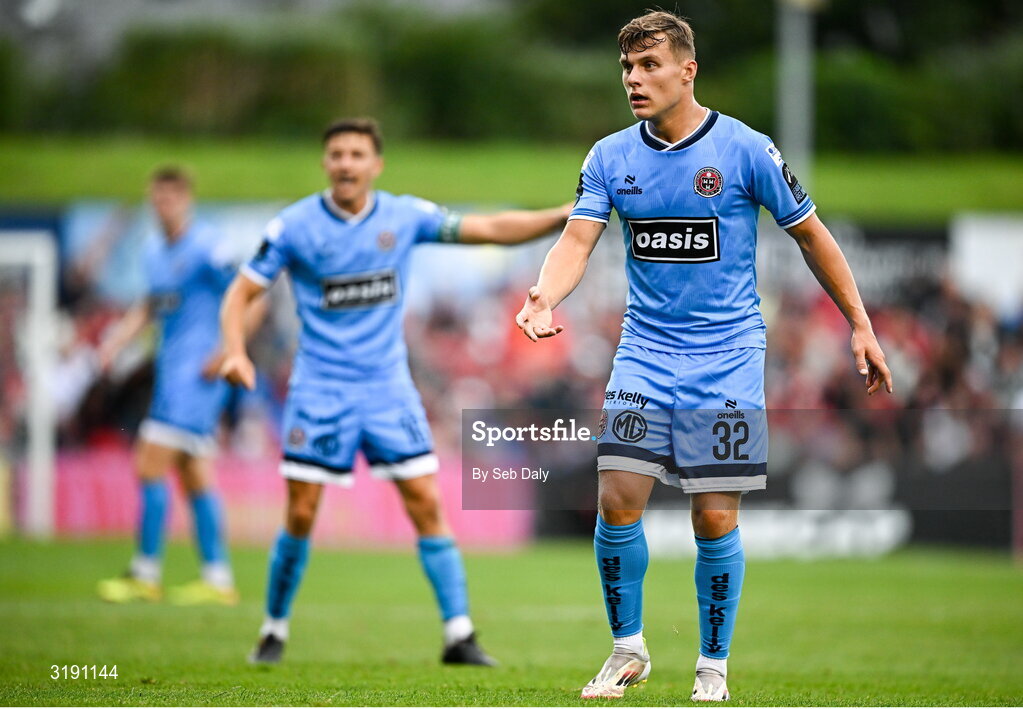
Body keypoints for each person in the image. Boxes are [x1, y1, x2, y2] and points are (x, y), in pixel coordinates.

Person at [515, 10, 894, 702]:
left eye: (649, 65)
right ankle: (626, 649)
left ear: (687, 70)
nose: (633, 79)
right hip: (644, 353)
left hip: (726, 357)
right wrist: (544, 296)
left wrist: (860, 324)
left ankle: (712, 662)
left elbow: (811, 235)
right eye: (626, 67)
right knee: (616, 497)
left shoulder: (746, 150)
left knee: (712, 515)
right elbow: (576, 240)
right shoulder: (608, 157)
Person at [219, 118, 571, 665]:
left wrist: (563, 217)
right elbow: (240, 293)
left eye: (357, 154)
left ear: (375, 164)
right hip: (321, 391)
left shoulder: (404, 216)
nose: (345, 163)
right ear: (325, 163)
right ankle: (273, 630)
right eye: (336, 153)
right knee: (301, 512)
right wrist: (236, 352)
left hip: (388, 389)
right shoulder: (294, 227)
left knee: (426, 503)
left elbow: (489, 228)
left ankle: (459, 635)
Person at [97, 167, 262, 606]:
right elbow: (151, 306)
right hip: (171, 375)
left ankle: (145, 572)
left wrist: (229, 350)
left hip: (199, 378)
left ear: (187, 198)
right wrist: (117, 340)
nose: (163, 205)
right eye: (157, 197)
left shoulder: (210, 246)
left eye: (171, 197)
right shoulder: (153, 251)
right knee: (194, 475)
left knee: (148, 462)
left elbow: (252, 297)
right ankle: (218, 578)